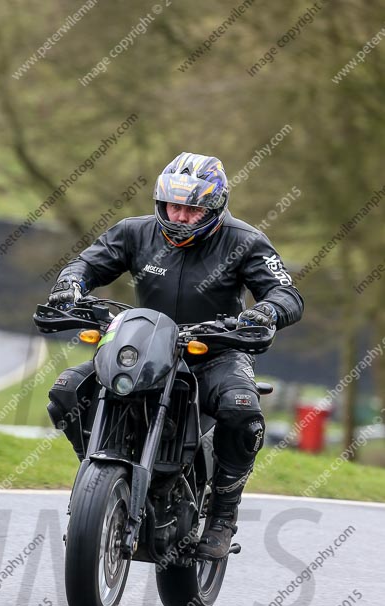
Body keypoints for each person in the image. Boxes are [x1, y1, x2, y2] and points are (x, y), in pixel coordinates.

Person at [46, 152, 303, 559]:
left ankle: (221, 515)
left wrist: (265, 311)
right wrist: (70, 284)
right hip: (145, 347)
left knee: (241, 409)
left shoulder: (245, 241)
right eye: (173, 206)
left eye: (192, 209)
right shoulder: (134, 232)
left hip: (215, 352)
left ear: (214, 208)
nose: (180, 216)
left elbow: (286, 292)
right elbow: (86, 264)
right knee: (66, 390)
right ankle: (99, 474)